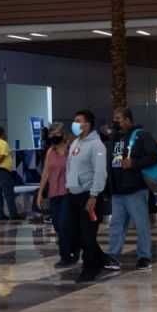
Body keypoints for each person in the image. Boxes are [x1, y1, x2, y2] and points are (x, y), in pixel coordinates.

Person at [104, 108, 157, 272]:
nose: (115, 121)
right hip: (117, 190)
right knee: (116, 226)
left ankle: (144, 257)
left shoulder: (141, 135)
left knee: (141, 225)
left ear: (127, 120)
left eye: (118, 118)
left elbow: (154, 156)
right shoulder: (114, 137)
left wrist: (134, 163)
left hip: (135, 189)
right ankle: (113, 256)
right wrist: (108, 187)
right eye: (114, 118)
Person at [66, 109, 108, 283]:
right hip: (73, 194)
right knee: (75, 235)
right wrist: (68, 185)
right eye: (74, 120)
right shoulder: (75, 143)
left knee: (87, 235)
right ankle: (101, 258)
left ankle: (90, 268)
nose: (75, 123)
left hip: (88, 196)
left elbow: (100, 172)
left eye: (78, 120)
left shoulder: (97, 145)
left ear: (87, 124)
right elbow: (69, 167)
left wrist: (94, 195)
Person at [36, 122, 79, 268]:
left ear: (63, 135)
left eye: (56, 134)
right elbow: (46, 172)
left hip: (68, 192)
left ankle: (65, 256)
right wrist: (40, 193)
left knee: (64, 224)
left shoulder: (71, 150)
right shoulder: (50, 152)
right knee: (57, 226)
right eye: (51, 134)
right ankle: (74, 247)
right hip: (54, 193)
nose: (53, 137)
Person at [0, 127, 22, 220]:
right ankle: (13, 214)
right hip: (3, 172)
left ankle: (0, 215)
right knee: (9, 193)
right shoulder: (4, 143)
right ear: (2, 134)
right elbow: (2, 156)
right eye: (4, 133)